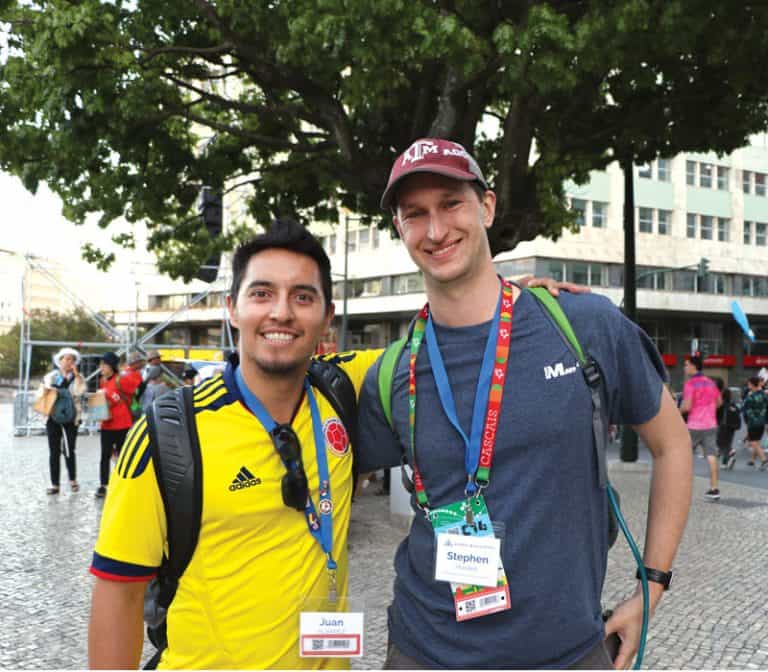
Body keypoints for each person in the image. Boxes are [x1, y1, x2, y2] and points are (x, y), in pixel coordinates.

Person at [356, 138, 693, 669]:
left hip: (568, 653)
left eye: (451, 203)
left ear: (486, 206)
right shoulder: (392, 373)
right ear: (400, 229)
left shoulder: (583, 327)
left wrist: (652, 587)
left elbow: (673, 447)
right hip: (422, 652)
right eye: (414, 214)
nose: (437, 230)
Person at [88, 220, 381, 669]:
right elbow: (118, 592)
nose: (281, 312)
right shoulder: (169, 432)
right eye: (262, 293)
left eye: (303, 297)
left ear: (327, 316)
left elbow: (448, 338)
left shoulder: (343, 390)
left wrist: (524, 300)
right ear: (232, 308)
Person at [41, 346, 86, 494]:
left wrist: (76, 376)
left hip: (71, 418)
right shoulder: (51, 376)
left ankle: (72, 480)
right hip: (53, 417)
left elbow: (80, 392)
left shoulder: (78, 377)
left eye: (72, 359)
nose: (69, 362)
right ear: (60, 361)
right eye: (66, 359)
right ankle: (55, 484)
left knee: (69, 449)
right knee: (53, 451)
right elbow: (44, 392)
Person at [95, 351, 140, 499]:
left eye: (104, 365)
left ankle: (123, 483)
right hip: (106, 424)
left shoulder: (121, 379)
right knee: (104, 455)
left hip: (122, 423)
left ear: (112, 366)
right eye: (101, 365)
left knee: (123, 456)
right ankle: (103, 485)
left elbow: (137, 387)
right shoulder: (102, 380)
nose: (101, 368)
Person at [680, 355, 723, 499]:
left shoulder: (690, 384)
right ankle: (714, 488)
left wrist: (677, 411)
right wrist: (709, 410)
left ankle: (681, 488)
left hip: (694, 425)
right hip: (710, 424)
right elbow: (719, 402)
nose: (684, 367)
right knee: (711, 455)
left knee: (683, 455)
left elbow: (687, 406)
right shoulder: (710, 382)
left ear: (693, 366)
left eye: (686, 365)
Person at [742, 376, 768, 469]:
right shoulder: (764, 395)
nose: (748, 385)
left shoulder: (750, 397)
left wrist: (747, 421)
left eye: (749, 383)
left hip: (753, 422)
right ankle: (752, 460)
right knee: (757, 441)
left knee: (753, 441)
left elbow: (746, 411)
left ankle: (763, 459)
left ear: (752, 384)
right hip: (762, 421)